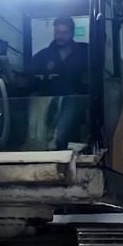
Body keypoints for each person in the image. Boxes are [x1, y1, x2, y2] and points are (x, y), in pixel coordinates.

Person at [30, 15, 89, 148]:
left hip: (76, 102)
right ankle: (36, 142)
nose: (60, 36)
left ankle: (57, 140)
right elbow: (30, 79)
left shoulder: (85, 52)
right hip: (48, 101)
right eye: (57, 32)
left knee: (72, 100)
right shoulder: (42, 56)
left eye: (64, 33)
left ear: (72, 33)